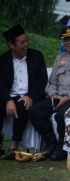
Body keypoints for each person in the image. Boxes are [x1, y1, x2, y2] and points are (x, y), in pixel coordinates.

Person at [28, 26, 70, 160]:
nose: (69, 42)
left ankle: (62, 148)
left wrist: (67, 98)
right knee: (35, 110)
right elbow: (52, 82)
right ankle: (51, 143)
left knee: (62, 115)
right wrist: (53, 95)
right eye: (66, 39)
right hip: (57, 97)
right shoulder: (60, 58)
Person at [0, 24, 48, 158]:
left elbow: (41, 81)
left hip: (30, 95)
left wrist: (30, 96)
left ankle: (14, 146)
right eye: (22, 42)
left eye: (27, 40)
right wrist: (8, 100)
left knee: (22, 106)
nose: (26, 44)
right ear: (11, 45)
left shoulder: (36, 56)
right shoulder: (3, 60)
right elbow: (1, 85)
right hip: (10, 95)